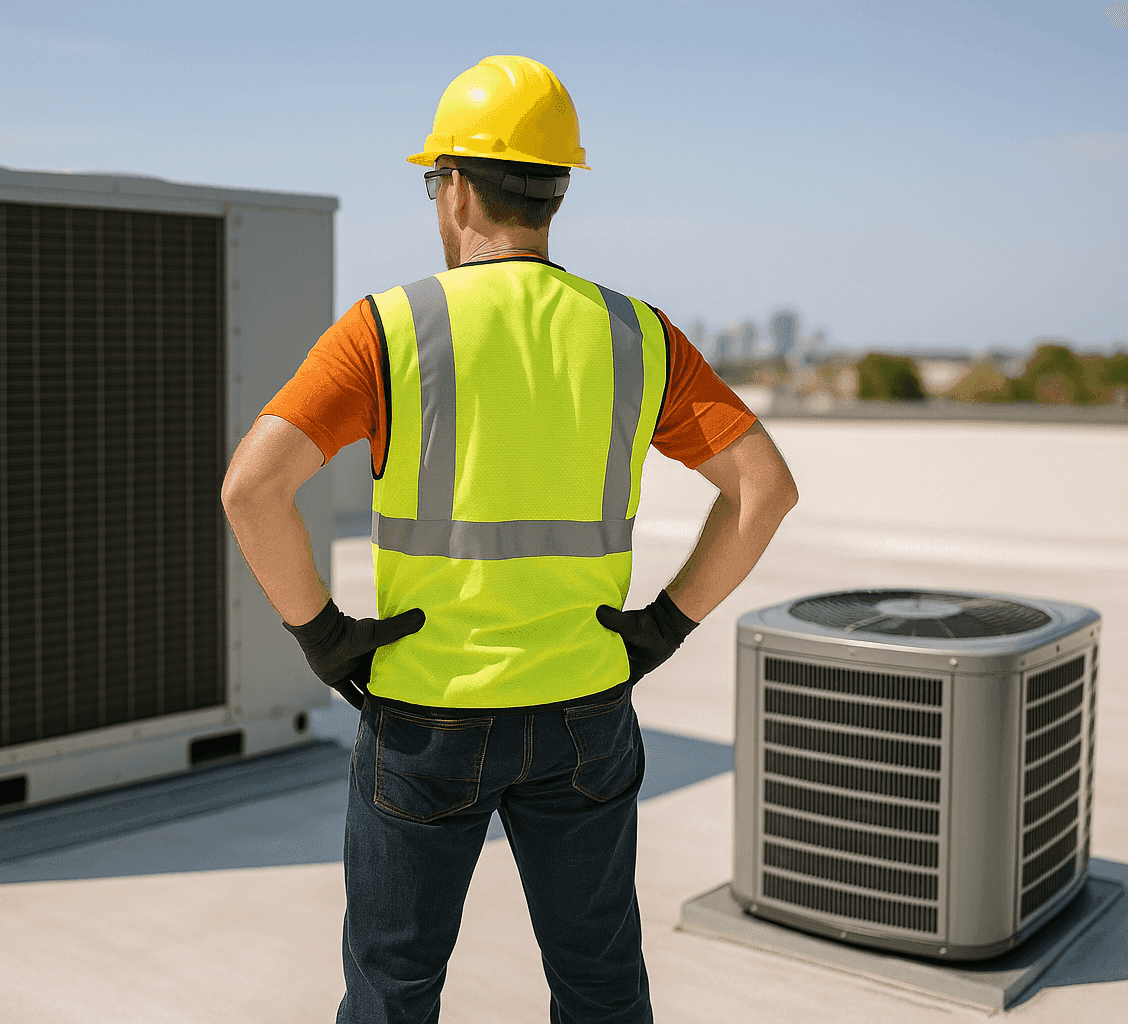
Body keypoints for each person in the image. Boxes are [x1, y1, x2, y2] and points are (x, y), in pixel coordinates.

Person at [221, 55, 798, 1024]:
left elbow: (253, 488)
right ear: (556, 190)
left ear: (451, 189)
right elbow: (764, 490)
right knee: (601, 981)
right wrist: (661, 625)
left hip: (423, 713)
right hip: (584, 711)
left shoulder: (386, 329)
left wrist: (321, 635)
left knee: (393, 987)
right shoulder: (636, 334)